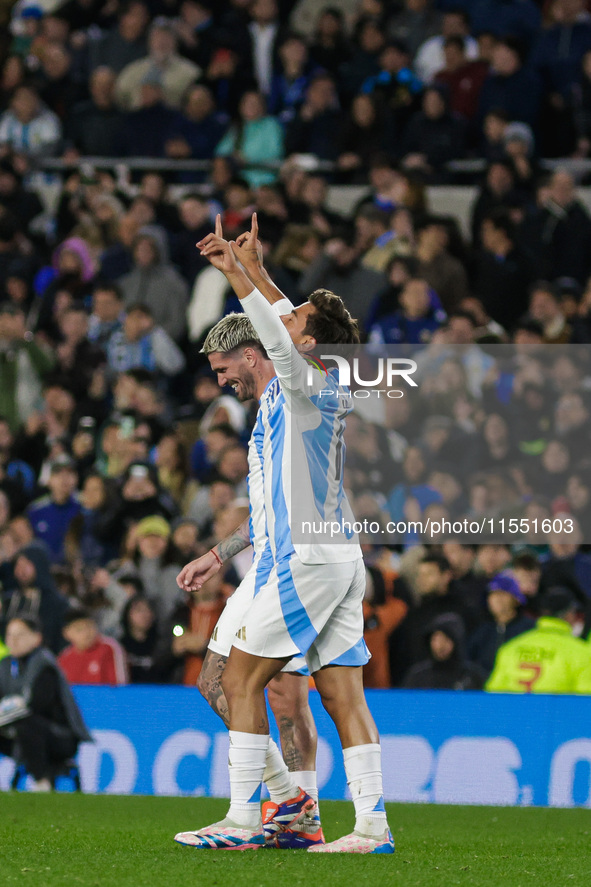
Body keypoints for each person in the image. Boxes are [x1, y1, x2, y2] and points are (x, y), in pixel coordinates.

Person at [174, 215, 393, 853]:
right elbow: (281, 314)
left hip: (304, 559)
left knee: (239, 682)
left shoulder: (305, 384)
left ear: (306, 341)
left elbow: (273, 327)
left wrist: (235, 276)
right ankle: (372, 829)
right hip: (329, 555)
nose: (285, 318)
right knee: (340, 693)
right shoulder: (307, 384)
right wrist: (254, 267)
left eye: (296, 322)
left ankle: (246, 820)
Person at [0, 616, 91, 791]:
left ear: (37, 638)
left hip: (60, 737)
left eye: (20, 635)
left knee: (28, 723)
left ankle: (42, 782)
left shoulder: (44, 665)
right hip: (22, 735)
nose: (14, 640)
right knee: (23, 726)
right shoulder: (5, 666)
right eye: (10, 635)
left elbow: (36, 707)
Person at [486, 588, 591, 694]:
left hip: (515, 710)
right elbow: (585, 700)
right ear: (569, 614)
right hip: (555, 710)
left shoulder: (510, 648)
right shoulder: (581, 653)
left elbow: (493, 695)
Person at [401, 612, 486, 690]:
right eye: (435, 639)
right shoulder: (418, 676)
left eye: (446, 639)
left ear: (456, 642)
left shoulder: (472, 676)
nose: (440, 646)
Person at [58, 608, 128, 686]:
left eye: (89, 626)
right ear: (66, 634)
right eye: (79, 630)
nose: (86, 633)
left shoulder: (109, 648)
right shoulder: (64, 657)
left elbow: (120, 686)